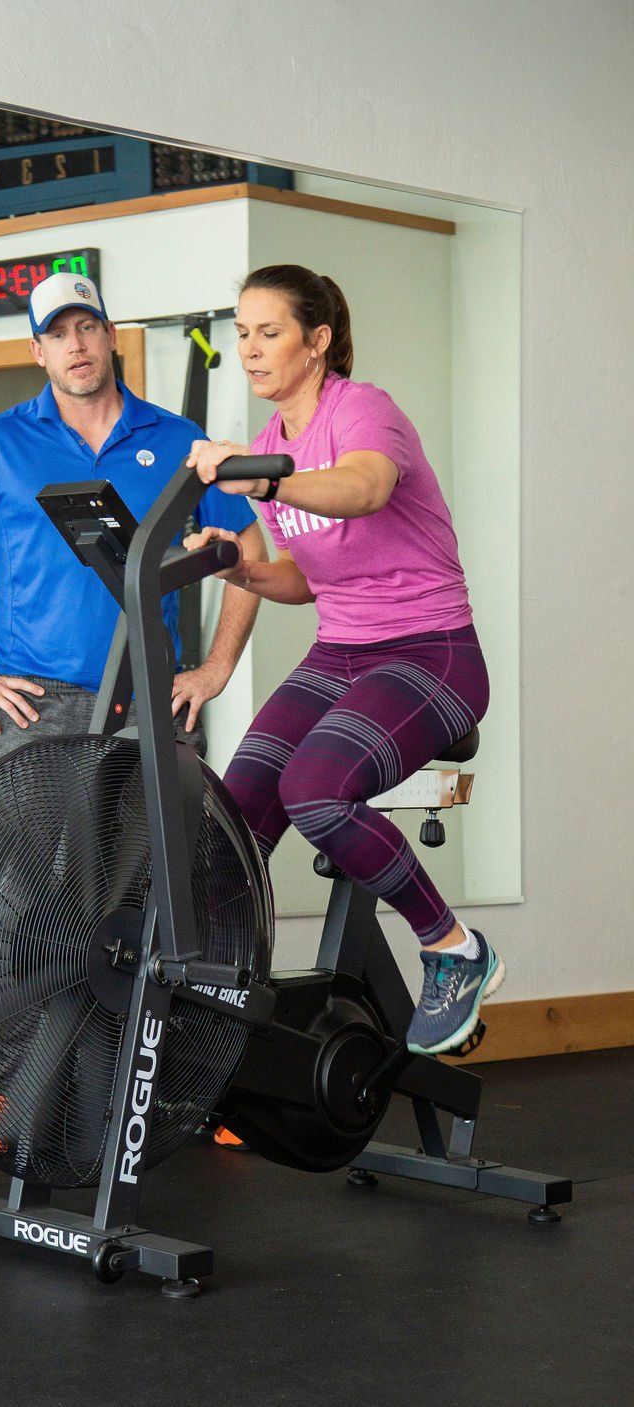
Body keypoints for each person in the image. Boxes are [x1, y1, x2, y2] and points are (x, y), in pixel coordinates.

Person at [185, 264, 499, 1059]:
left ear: (317, 341)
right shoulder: (265, 447)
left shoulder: (364, 411)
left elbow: (361, 490)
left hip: (433, 653)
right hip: (342, 650)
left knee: (314, 791)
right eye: (242, 332)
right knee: (235, 817)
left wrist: (263, 475)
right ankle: (213, 1008)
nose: (251, 350)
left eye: (270, 332)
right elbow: (303, 575)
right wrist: (236, 566)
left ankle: (455, 947)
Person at [0, 271, 267, 765]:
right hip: (35, 706)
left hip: (150, 696)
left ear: (110, 336)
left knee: (160, 846)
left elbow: (250, 553)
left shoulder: (179, 438)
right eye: (57, 334)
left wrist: (217, 668)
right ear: (38, 351)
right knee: (30, 848)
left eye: (87, 327)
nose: (76, 345)